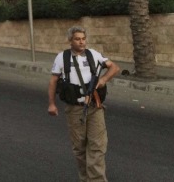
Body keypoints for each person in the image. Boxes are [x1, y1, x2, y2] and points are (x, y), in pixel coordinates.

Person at [48, 26, 120, 182]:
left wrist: (102, 80)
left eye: (83, 39)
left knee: (98, 146)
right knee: (79, 148)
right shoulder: (62, 58)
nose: (81, 42)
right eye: (77, 39)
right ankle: (85, 178)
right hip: (75, 108)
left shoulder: (94, 54)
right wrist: (52, 104)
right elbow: (53, 81)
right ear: (70, 41)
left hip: (95, 107)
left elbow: (114, 67)